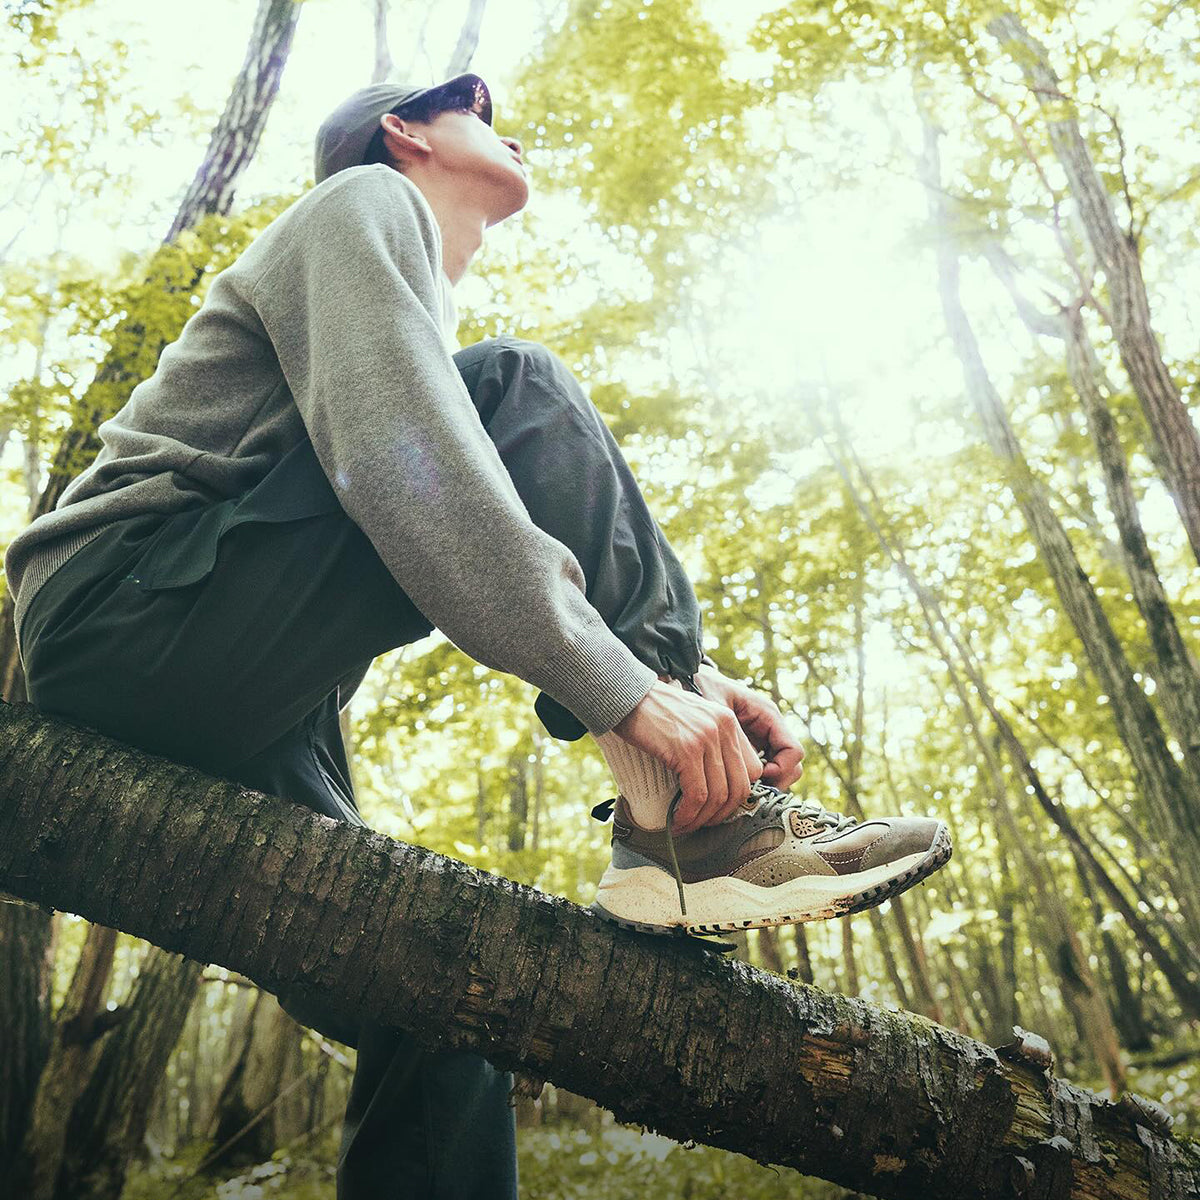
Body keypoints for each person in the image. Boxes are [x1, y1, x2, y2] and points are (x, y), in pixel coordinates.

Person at [4, 72, 951, 1198]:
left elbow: (431, 483)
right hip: (126, 607)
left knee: (442, 996)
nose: (506, 130)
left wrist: (690, 675)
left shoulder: (397, 284)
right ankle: (696, 829)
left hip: (233, 681)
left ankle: (684, 809)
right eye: (477, 110)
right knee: (521, 390)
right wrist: (631, 690)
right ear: (405, 132)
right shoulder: (363, 206)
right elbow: (400, 462)